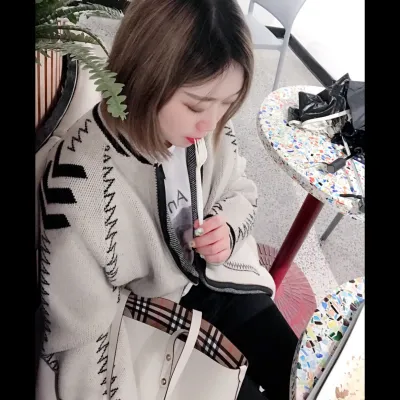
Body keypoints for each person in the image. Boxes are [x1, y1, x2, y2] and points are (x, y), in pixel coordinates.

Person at [36, 0, 298, 398]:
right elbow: (82, 344)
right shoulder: (77, 188)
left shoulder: (204, 127)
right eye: (196, 105)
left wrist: (227, 228)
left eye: (227, 103)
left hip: (215, 281)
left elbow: (240, 188)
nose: (212, 122)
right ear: (145, 76)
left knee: (301, 372)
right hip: (141, 323)